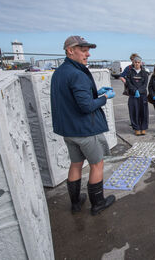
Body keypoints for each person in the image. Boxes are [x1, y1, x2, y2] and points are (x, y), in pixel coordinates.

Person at [50, 35, 116, 216]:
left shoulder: (59, 72)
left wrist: (95, 93)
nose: (88, 54)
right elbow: (86, 106)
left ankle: (76, 203)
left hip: (68, 131)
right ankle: (98, 204)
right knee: (97, 164)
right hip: (85, 130)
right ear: (70, 50)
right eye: (84, 50)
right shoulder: (77, 74)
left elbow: (72, 99)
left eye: (88, 51)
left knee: (76, 164)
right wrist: (103, 98)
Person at [126, 55, 149, 136]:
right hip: (133, 95)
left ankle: (143, 127)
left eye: (138, 62)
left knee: (143, 111)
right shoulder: (130, 72)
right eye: (135, 62)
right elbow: (129, 83)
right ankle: (136, 128)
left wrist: (139, 91)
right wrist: (134, 90)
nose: (137, 64)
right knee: (134, 111)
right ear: (133, 62)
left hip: (142, 95)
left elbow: (145, 84)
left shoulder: (144, 73)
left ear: (141, 63)